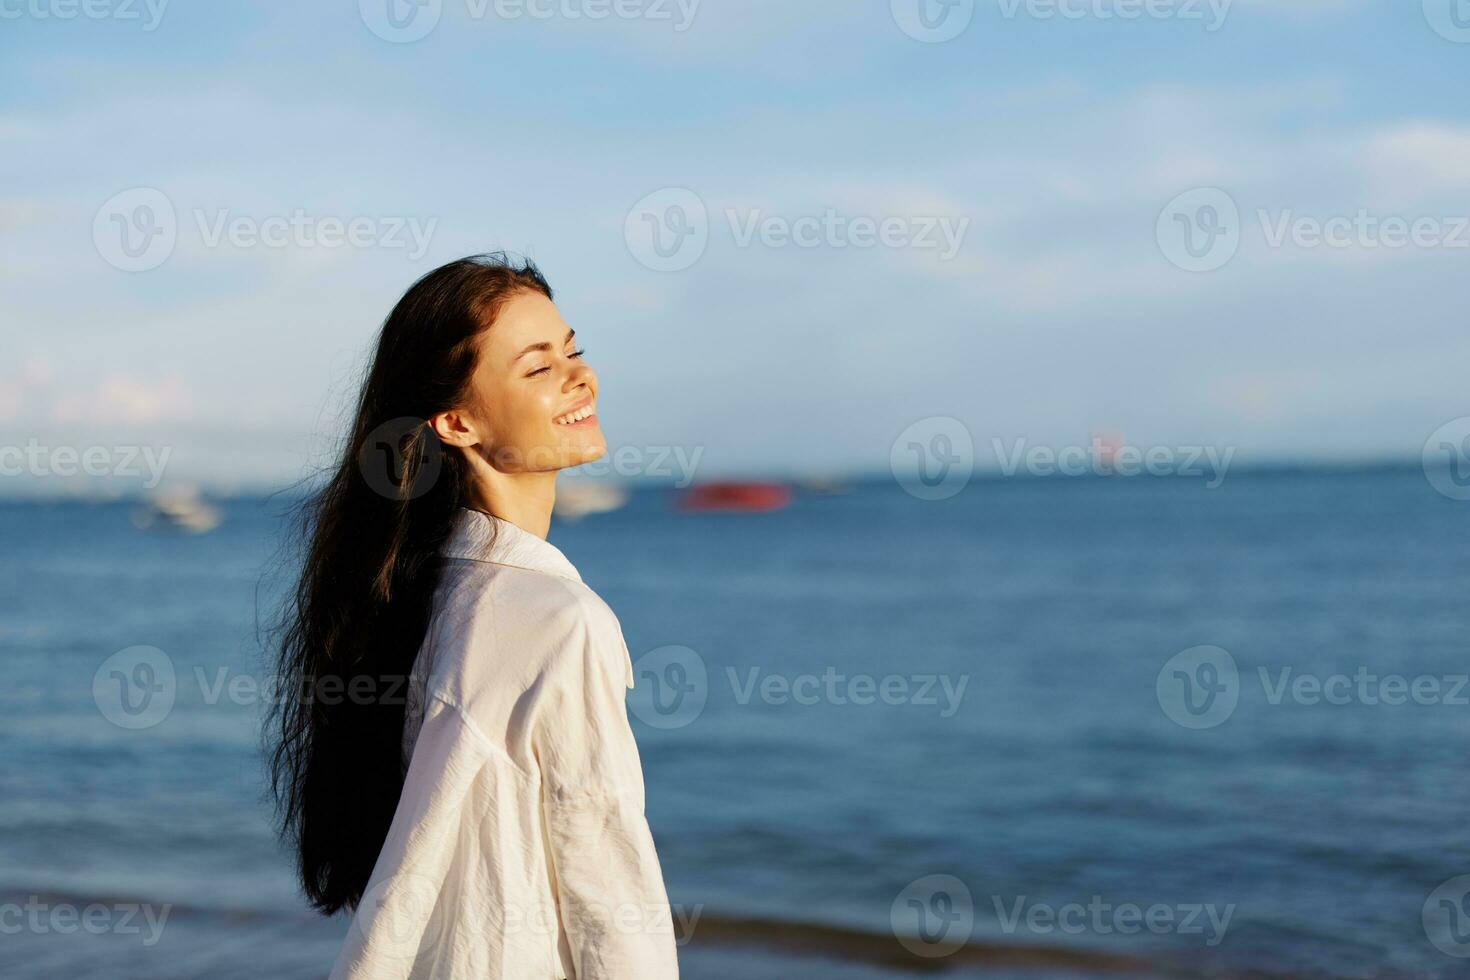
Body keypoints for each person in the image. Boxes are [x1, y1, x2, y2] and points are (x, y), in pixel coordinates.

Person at [268, 253, 680, 978]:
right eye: (538, 367)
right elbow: (612, 899)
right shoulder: (558, 620)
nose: (581, 376)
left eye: (573, 350)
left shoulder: (416, 596)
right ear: (456, 422)